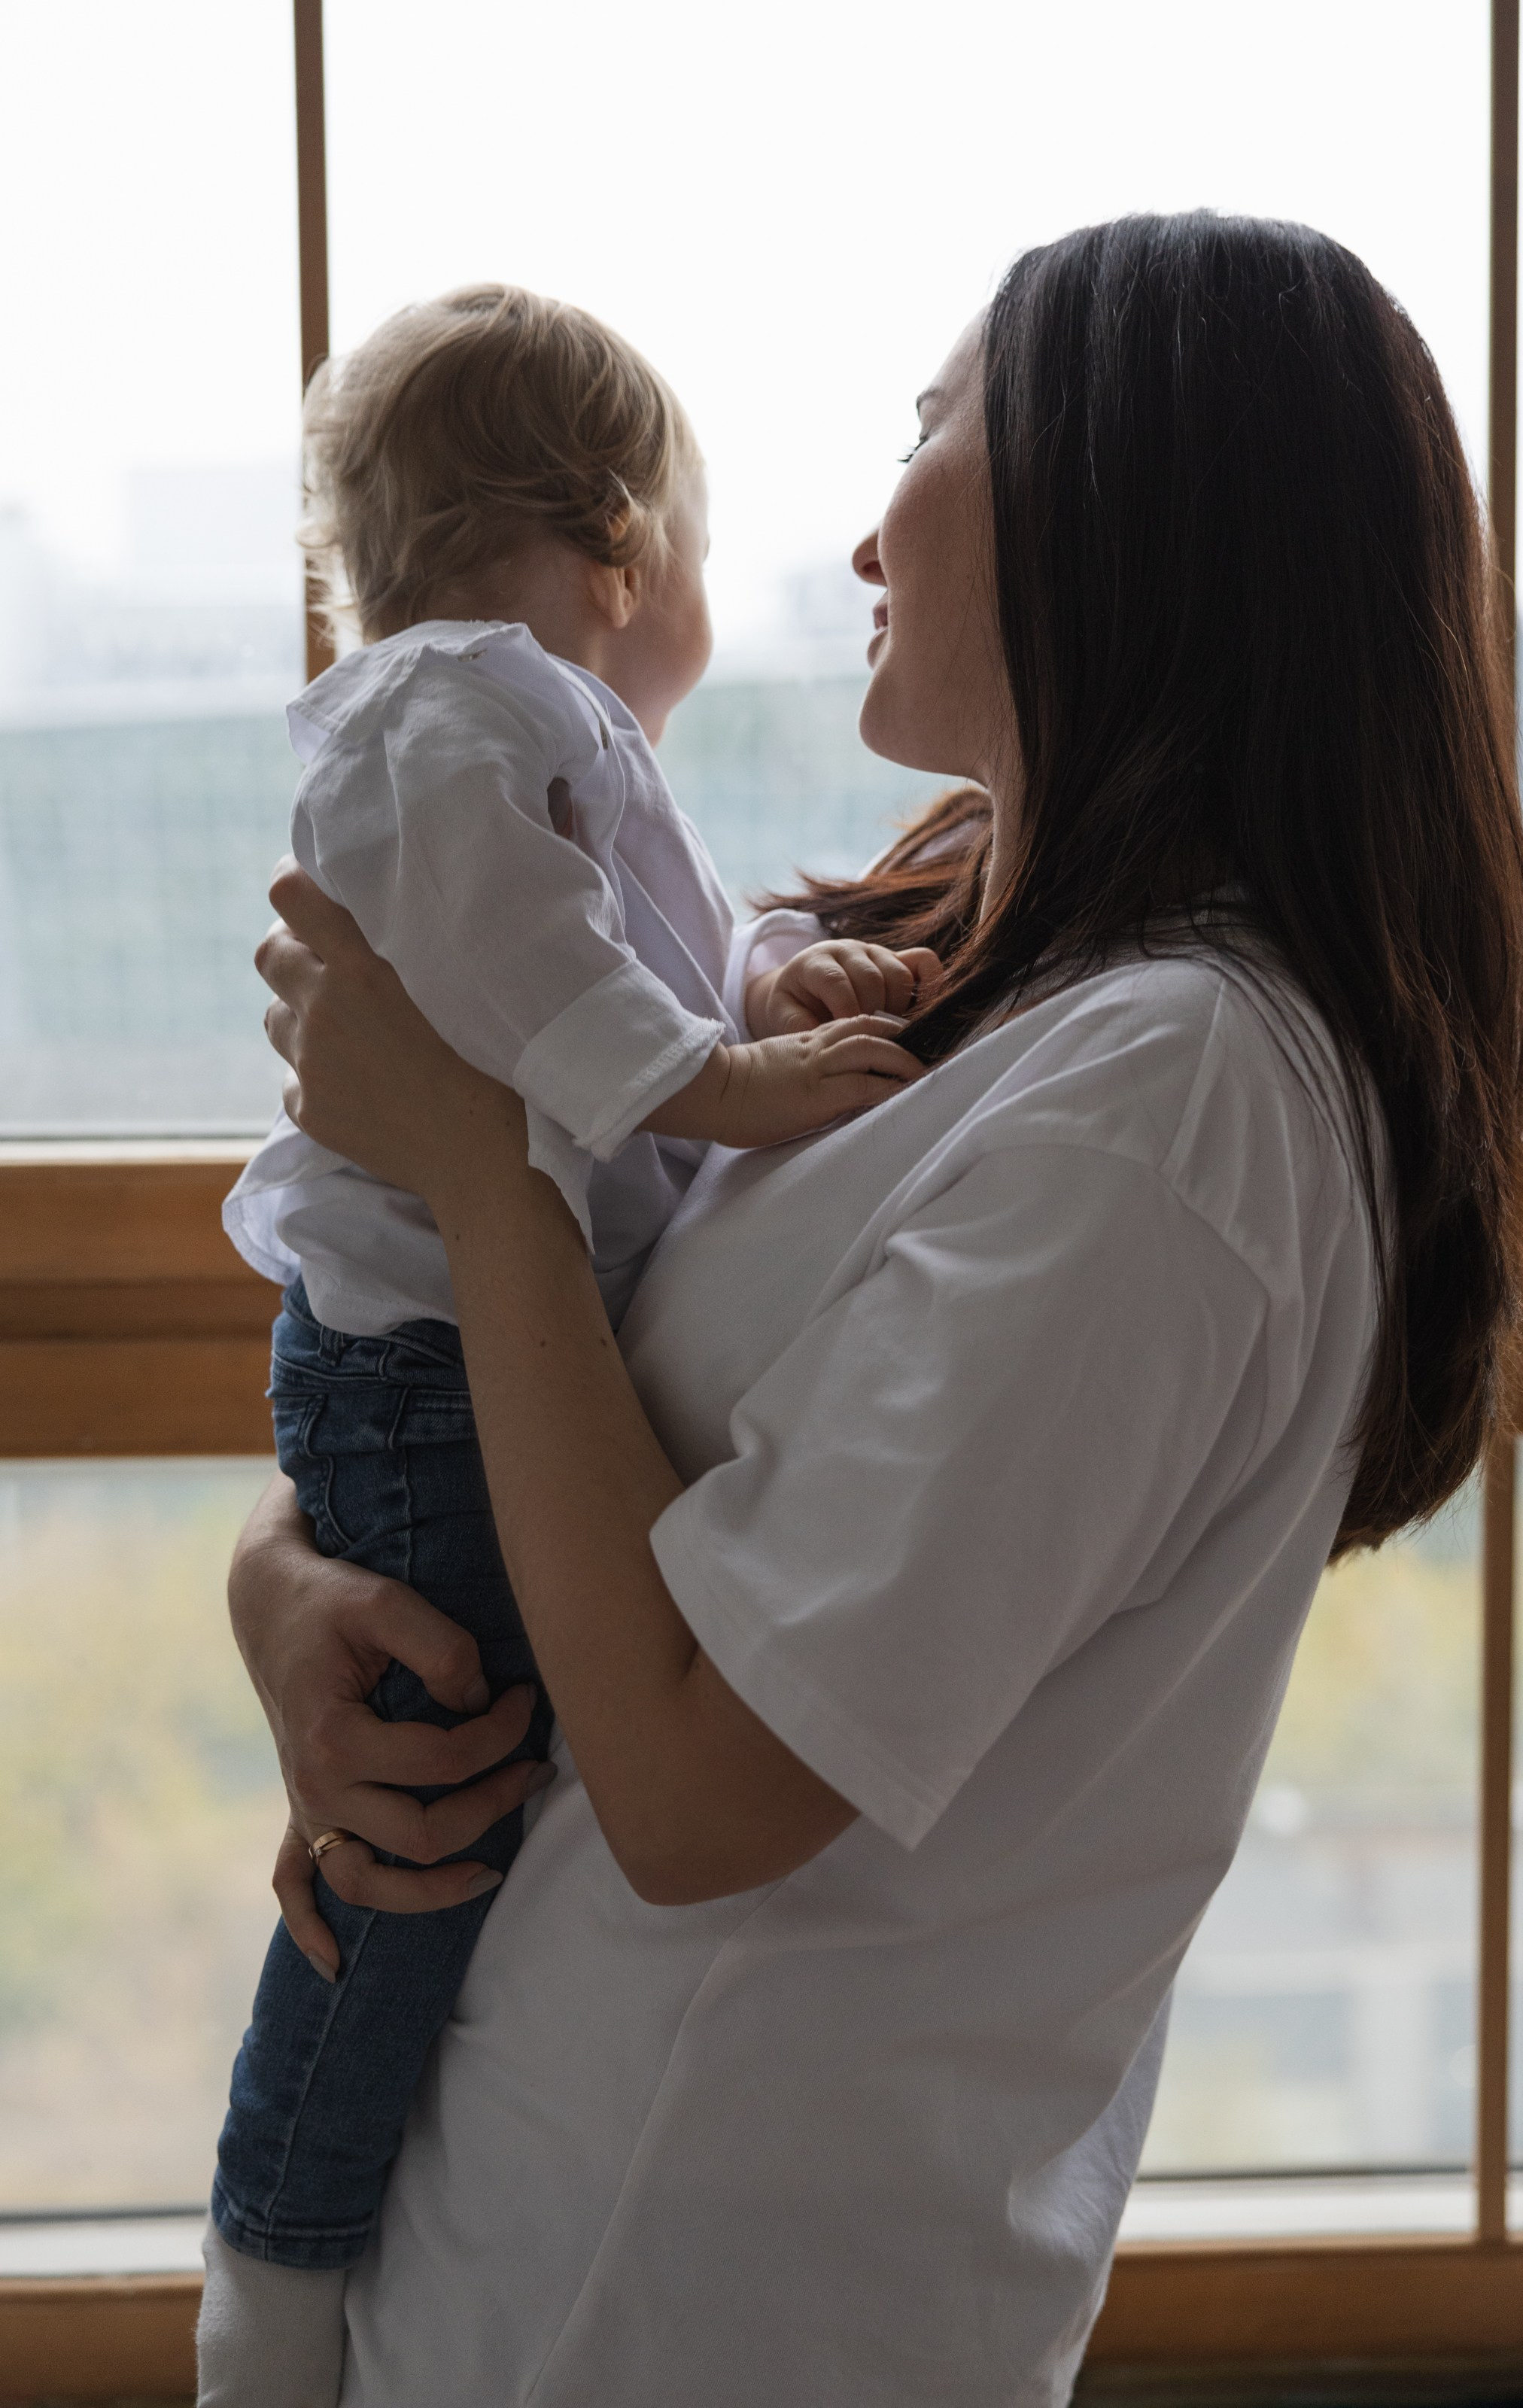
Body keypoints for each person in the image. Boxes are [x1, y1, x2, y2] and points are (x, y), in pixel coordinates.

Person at [220, 214, 1523, 2407]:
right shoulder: (963, 969)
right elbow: (609, 1441)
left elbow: (696, 1788)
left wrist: (476, 1162)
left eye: (936, 423)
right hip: (516, 2231)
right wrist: (295, 1596)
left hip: (691, 2313)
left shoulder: (1181, 1106)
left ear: (1131, 505)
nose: (864, 517)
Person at [204, 283, 932, 2379]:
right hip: (427, 1372)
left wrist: (754, 1011)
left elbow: (600, 968)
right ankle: (278, 2248)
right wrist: (732, 1084)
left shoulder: (504, 714)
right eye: (700, 546)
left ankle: (309, 2224)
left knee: (445, 1811)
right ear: (625, 544)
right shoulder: (476, 701)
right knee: (422, 1831)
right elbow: (528, 978)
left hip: (436, 1357)